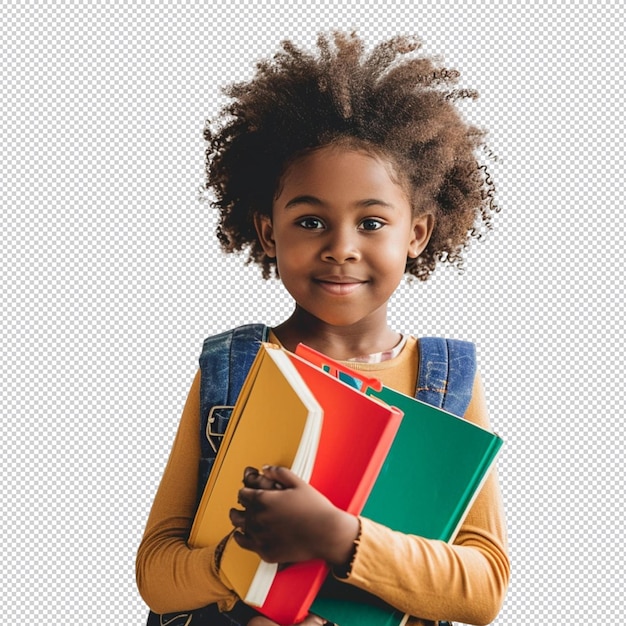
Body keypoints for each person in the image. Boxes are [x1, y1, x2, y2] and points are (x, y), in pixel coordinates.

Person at [136, 31, 510, 626]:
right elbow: (157, 574)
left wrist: (340, 537)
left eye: (371, 222)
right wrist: (238, 563)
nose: (341, 248)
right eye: (311, 220)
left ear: (415, 234)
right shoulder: (230, 370)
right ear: (267, 232)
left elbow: (483, 586)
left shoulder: (445, 381)